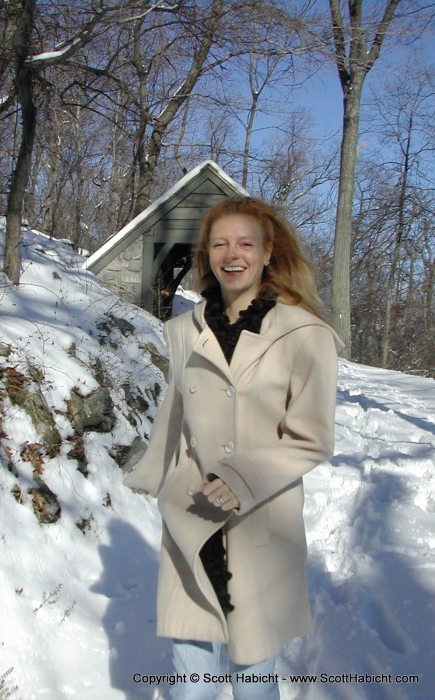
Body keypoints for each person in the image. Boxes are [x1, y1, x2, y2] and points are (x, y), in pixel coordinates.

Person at [124, 197, 343, 699]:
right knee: (191, 679)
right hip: (191, 514)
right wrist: (154, 475)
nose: (232, 253)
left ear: (269, 252)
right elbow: (176, 412)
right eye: (220, 243)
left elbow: (312, 439)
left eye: (246, 242)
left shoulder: (306, 334)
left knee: (253, 679)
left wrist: (243, 478)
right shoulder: (183, 331)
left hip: (261, 522)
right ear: (207, 254)